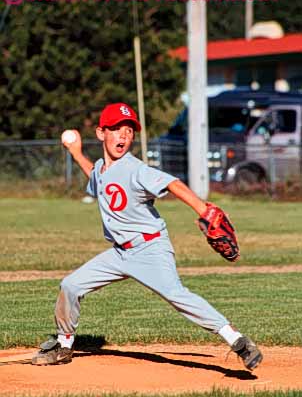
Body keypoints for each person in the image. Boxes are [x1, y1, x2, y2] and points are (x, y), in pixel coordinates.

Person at [32, 102, 263, 371]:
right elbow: (96, 178)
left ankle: (238, 341)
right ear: (100, 133)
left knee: (177, 296)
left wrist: (204, 209)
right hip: (119, 253)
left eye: (129, 131)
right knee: (71, 286)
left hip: (150, 248)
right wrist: (75, 152)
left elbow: (172, 183)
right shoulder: (101, 169)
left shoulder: (135, 168)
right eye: (117, 129)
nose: (123, 136)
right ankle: (64, 344)